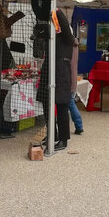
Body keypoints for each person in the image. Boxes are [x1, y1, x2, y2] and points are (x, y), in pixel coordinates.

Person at [35, 10, 75, 151]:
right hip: (49, 71)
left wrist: (55, 11)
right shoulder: (53, 36)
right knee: (47, 104)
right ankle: (53, 134)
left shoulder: (66, 37)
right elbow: (38, 31)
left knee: (62, 106)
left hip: (61, 73)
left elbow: (63, 25)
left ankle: (63, 139)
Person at [68, 36, 84, 135]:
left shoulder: (68, 45)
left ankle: (79, 125)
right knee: (71, 102)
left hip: (67, 78)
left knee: (70, 102)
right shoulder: (75, 45)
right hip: (73, 77)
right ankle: (79, 125)